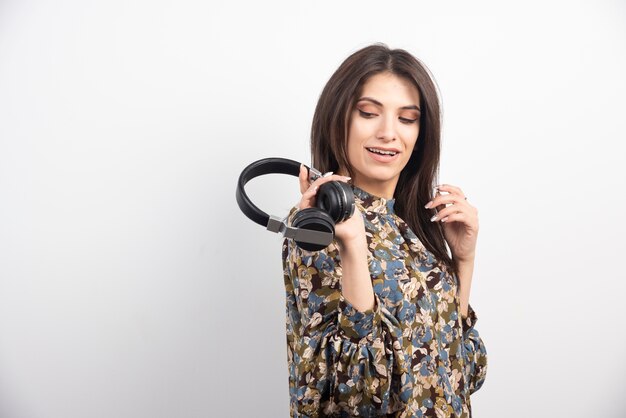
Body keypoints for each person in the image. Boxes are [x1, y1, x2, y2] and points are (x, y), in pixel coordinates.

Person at [282, 43, 488, 418]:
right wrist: (354, 248)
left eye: (407, 119)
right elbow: (355, 395)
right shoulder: (319, 224)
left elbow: (462, 372)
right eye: (368, 113)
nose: (388, 133)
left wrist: (464, 260)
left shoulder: (414, 225)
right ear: (337, 118)